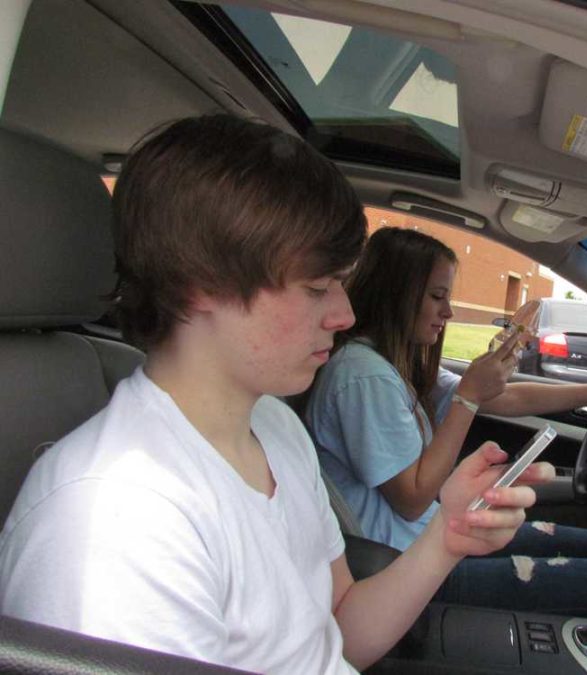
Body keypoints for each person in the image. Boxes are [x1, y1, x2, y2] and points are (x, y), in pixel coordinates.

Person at [0, 116, 550, 675]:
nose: (345, 314)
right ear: (200, 284)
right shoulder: (118, 524)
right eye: (317, 288)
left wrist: (446, 539)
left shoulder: (273, 425)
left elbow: (335, 632)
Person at [305, 226, 587, 617]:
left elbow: (509, 395)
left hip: (431, 536)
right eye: (437, 297)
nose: (447, 313)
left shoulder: (394, 366)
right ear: (397, 295)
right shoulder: (364, 376)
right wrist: (467, 398)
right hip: (403, 563)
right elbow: (412, 500)